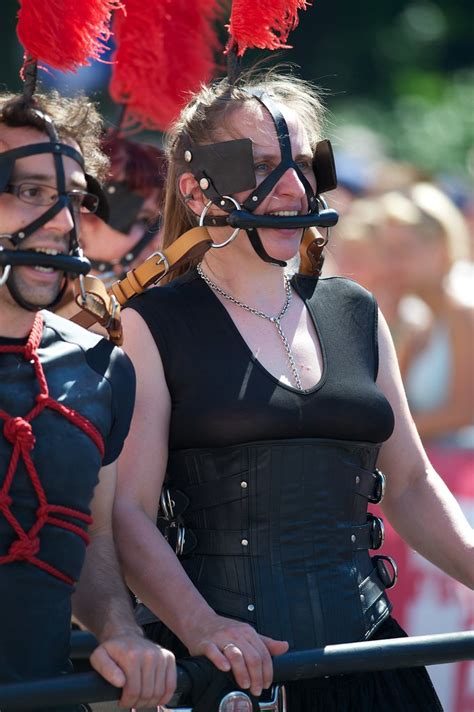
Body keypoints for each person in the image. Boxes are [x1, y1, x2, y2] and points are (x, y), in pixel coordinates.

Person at [113, 69, 474, 710]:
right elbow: (130, 513)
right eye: (259, 164)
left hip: (370, 654)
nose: (294, 187)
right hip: (229, 673)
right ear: (199, 190)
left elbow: (412, 484)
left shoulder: (355, 310)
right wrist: (205, 629)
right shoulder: (154, 321)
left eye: (306, 164)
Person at [0, 90, 176, 711]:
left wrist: (121, 631)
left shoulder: (101, 368)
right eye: (29, 192)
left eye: (73, 198)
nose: (60, 222)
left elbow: (89, 537)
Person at [377, 183, 474, 448]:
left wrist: (383, 433)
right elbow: (394, 400)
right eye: (388, 251)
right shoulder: (419, 318)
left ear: (441, 247)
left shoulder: (463, 312)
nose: (391, 263)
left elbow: (465, 412)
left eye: (404, 249)